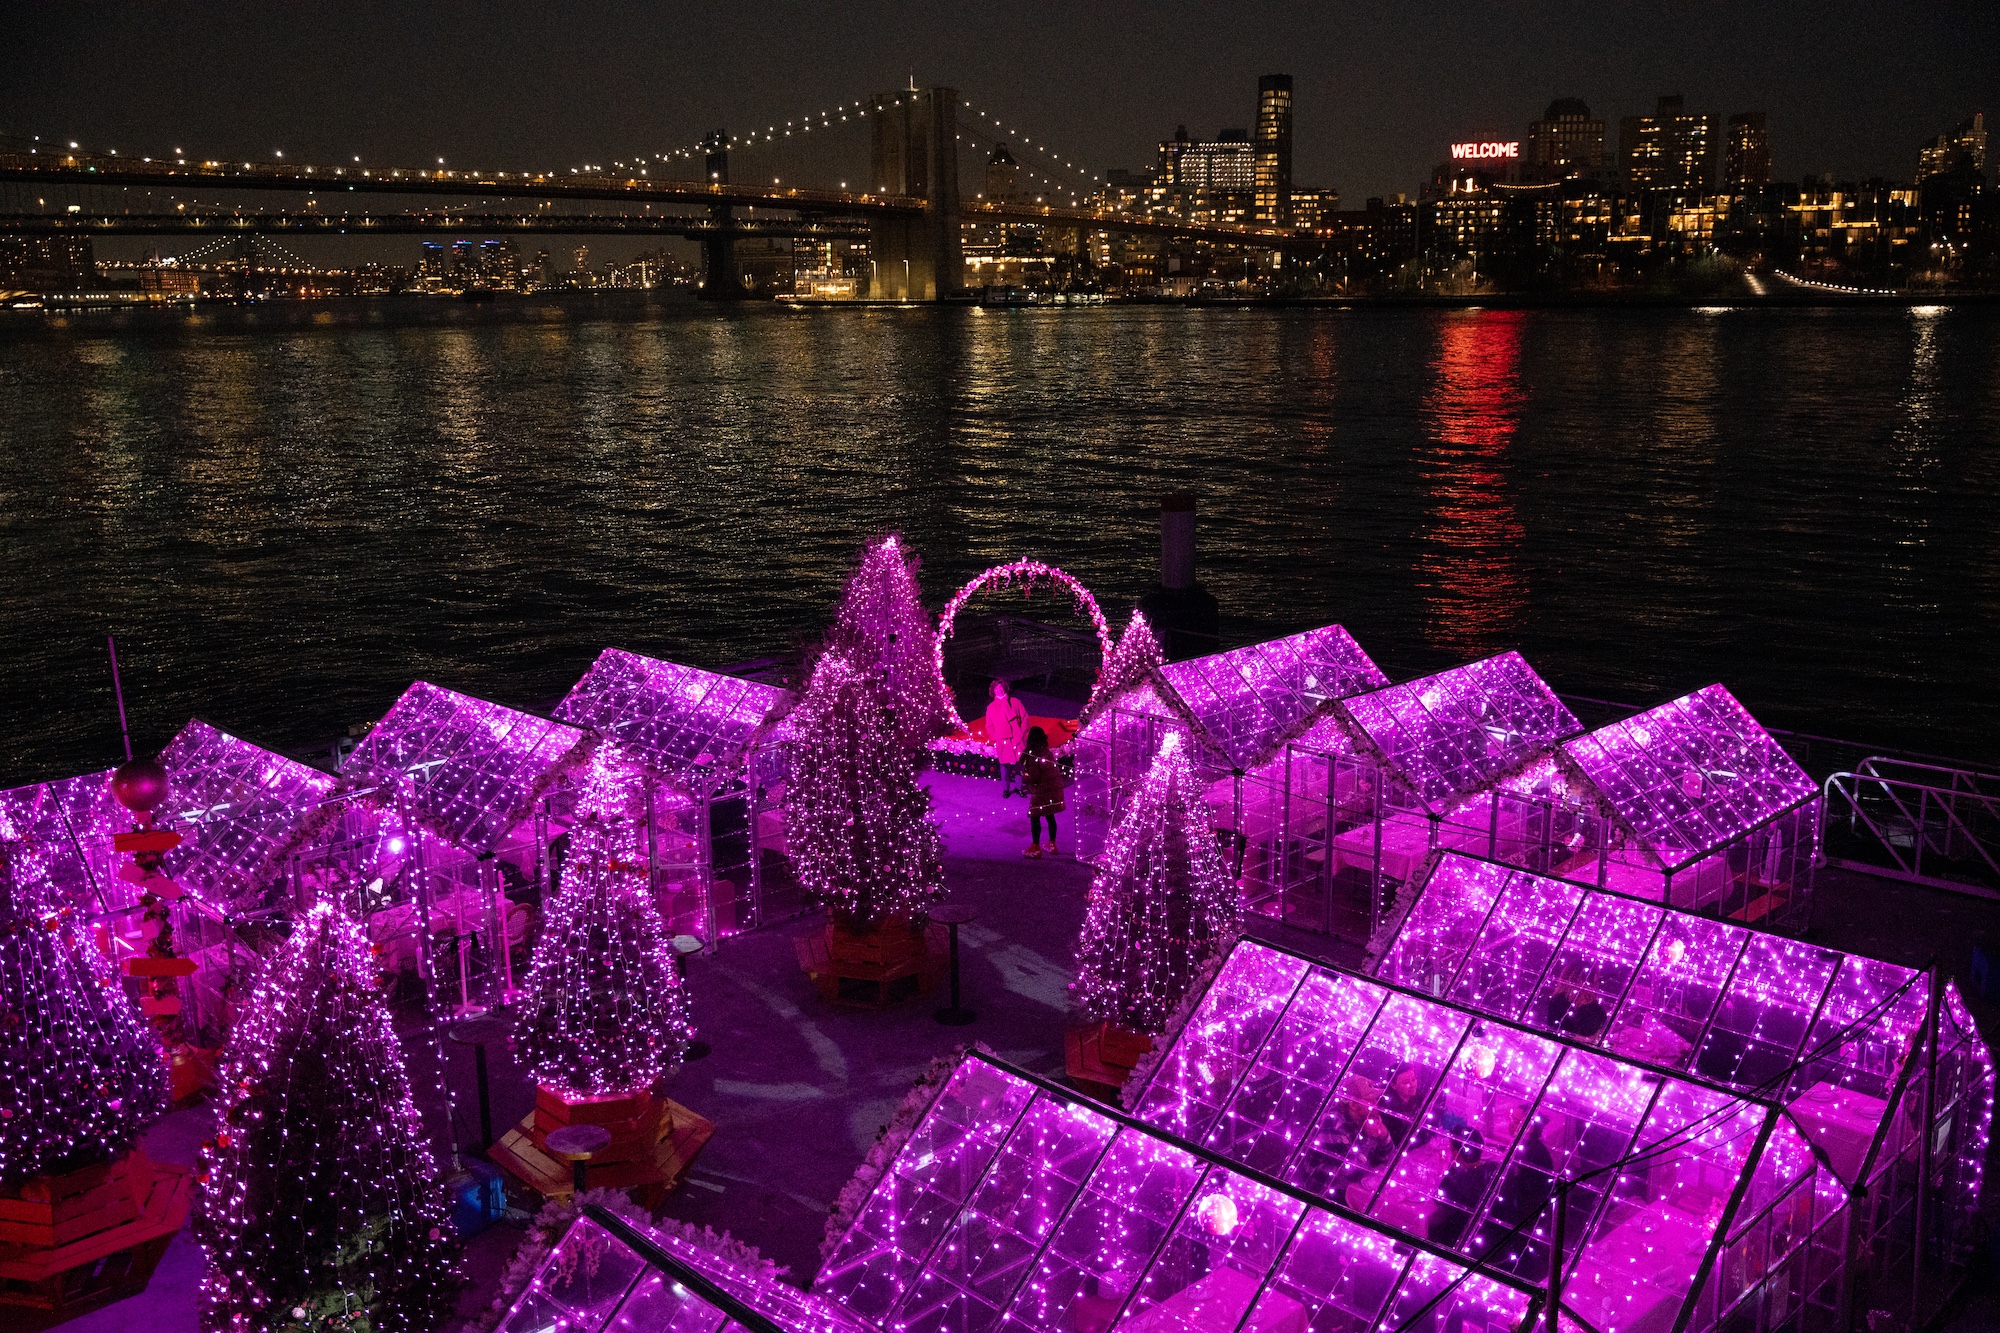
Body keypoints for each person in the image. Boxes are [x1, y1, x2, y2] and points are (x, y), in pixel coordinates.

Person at [1429, 1131, 1496, 1249]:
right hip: (1486, 1232)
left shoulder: (1460, 1182)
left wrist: (1449, 1167)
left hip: (1456, 1235)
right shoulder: (1491, 1168)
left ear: (1456, 1152)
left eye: (1451, 1148)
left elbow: (1438, 1199)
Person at [1020, 726, 1066, 858]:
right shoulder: (1046, 752)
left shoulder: (1032, 754)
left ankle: (1035, 847)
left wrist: (1024, 777)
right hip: (1053, 789)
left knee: (1035, 816)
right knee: (1050, 815)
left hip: (1042, 791)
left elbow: (1034, 777)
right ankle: (1052, 844)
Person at [985, 679, 1031, 796]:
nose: (999, 690)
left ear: (1005, 688)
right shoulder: (991, 707)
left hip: (1017, 739)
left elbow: (1025, 717)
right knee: (1005, 767)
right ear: (993, 691)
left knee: (1019, 765)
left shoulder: (1015, 702)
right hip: (1003, 741)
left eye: (1001, 688)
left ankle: (1019, 788)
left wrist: (1021, 732)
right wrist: (996, 737)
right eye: (996, 689)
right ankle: (1006, 789)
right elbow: (989, 726)